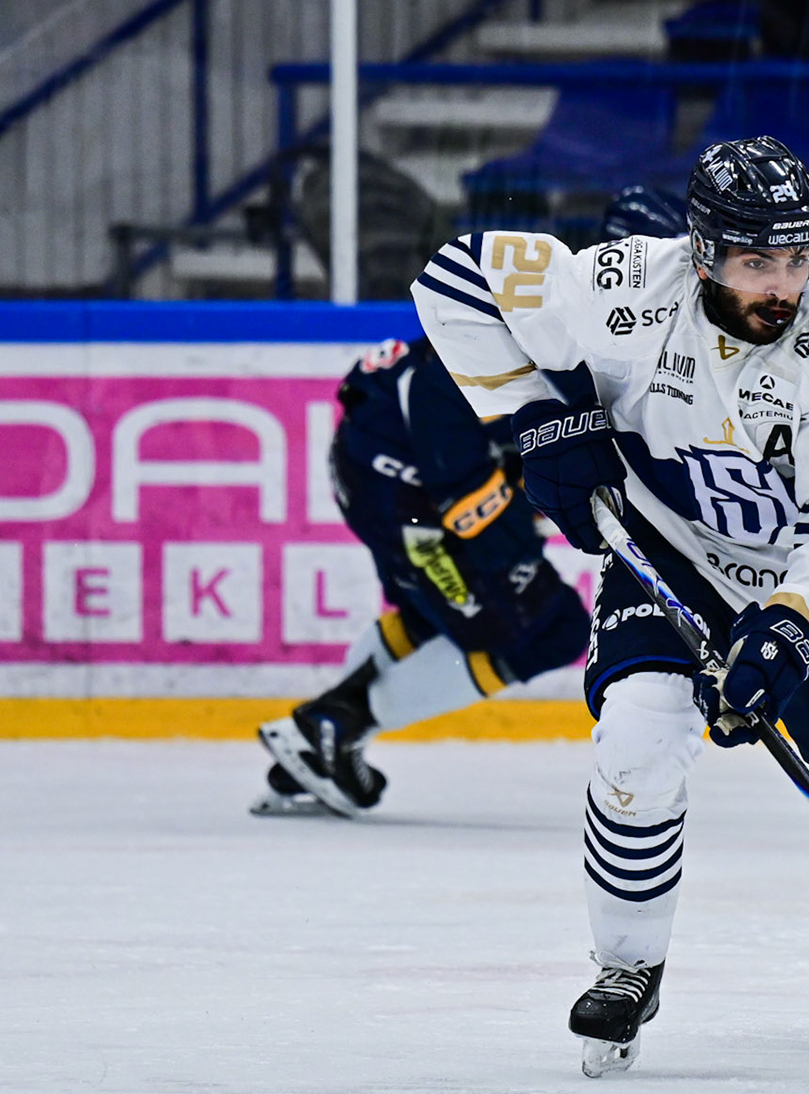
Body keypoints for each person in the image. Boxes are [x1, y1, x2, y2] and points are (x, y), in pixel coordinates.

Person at [411, 136, 809, 1078]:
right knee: (636, 740)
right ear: (702, 252)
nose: (782, 285)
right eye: (756, 262)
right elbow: (457, 280)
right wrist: (538, 416)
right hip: (670, 554)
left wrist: (793, 623)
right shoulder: (624, 287)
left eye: (797, 258)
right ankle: (628, 964)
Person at [254, 189, 686, 819]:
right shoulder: (562, 313)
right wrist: (512, 542)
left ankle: (322, 733)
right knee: (542, 627)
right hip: (406, 489)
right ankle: (332, 726)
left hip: (405, 474)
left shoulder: (599, 319)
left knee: (449, 613)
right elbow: (447, 423)